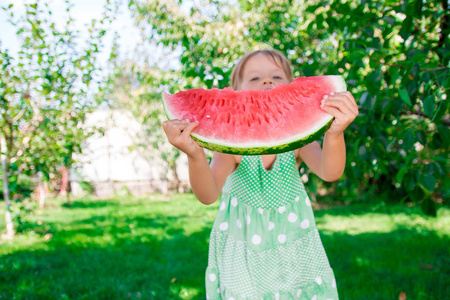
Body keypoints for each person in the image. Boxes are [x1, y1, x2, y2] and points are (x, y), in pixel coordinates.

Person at [162, 49, 358, 300]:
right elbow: (208, 194)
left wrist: (335, 133)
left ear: (290, 87)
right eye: (254, 78)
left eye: (277, 76)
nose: (267, 82)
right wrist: (194, 154)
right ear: (235, 93)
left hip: (293, 248)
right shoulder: (232, 149)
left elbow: (330, 172)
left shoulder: (297, 143)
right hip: (244, 253)